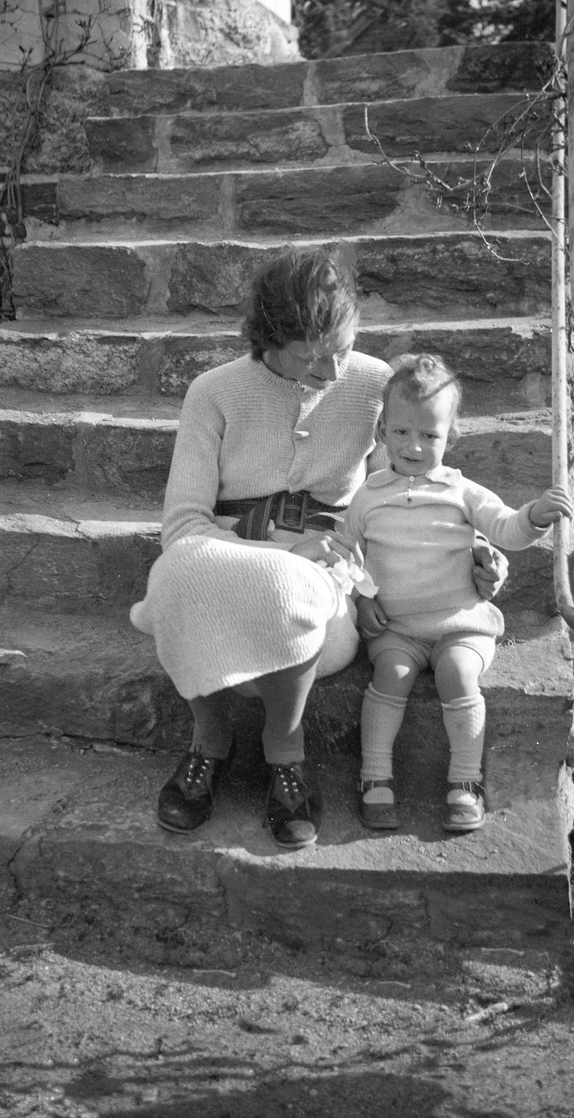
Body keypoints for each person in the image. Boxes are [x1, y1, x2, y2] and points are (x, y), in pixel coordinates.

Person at [130, 251, 506, 850]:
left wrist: (475, 550)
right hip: (223, 566)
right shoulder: (213, 393)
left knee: (292, 586)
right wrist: (262, 550)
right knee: (175, 570)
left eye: (344, 348)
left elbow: (414, 493)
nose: (334, 372)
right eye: (313, 356)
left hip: (324, 592)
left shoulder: (373, 382)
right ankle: (210, 743)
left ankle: (286, 753)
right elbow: (182, 526)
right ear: (269, 342)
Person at [344, 352, 573, 834]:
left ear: (452, 436)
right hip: (397, 629)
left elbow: (506, 528)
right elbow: (351, 558)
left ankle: (465, 782)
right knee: (391, 673)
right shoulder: (367, 496)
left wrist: (533, 515)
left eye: (430, 435)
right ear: (382, 430)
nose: (414, 445)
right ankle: (375, 777)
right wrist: (363, 600)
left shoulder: (461, 491)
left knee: (458, 673)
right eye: (403, 432)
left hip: (460, 624)